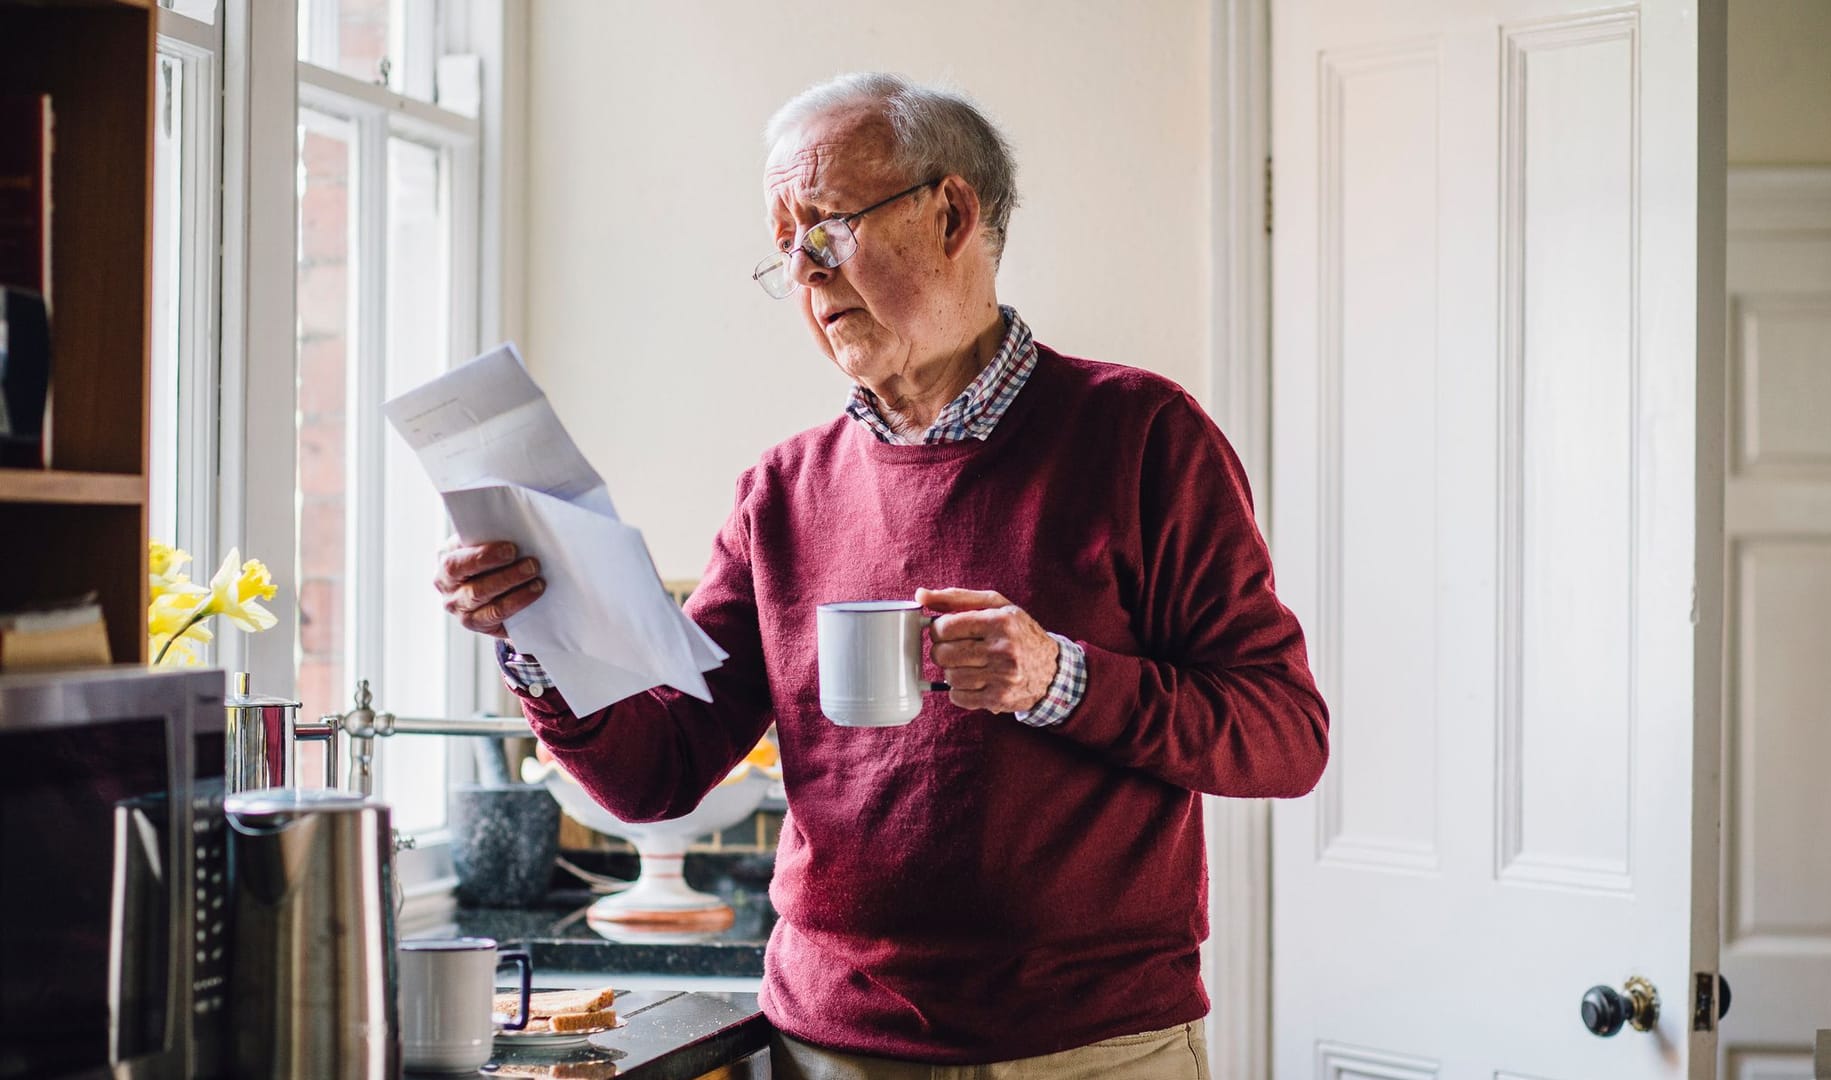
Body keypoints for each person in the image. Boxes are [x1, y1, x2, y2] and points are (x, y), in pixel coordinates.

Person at [434, 72, 1329, 1080]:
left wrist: (1057, 679)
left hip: (1091, 1050)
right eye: (784, 248)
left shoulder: (1143, 436)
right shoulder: (780, 491)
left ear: (952, 214)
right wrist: (537, 635)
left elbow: (1286, 738)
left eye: (825, 227)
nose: (805, 274)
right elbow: (661, 773)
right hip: (829, 1049)